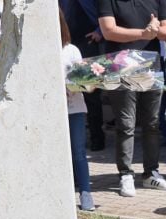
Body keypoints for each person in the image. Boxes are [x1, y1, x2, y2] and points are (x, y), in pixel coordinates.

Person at [98, 0, 166, 197]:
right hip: (120, 65)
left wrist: (156, 29)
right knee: (126, 123)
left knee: (152, 123)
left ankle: (151, 173)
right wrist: (143, 33)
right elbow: (108, 30)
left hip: (151, 65)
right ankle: (125, 174)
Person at [61, 9, 95, 212]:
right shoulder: (35, 51)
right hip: (50, 113)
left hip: (74, 108)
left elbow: (86, 82)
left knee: (78, 152)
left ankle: (85, 192)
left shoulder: (71, 50)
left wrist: (91, 82)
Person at [61, 0, 106, 151]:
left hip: (89, 42)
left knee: (91, 93)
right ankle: (70, 139)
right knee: (67, 90)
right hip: (66, 43)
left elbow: (106, 10)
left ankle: (97, 138)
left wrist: (99, 32)